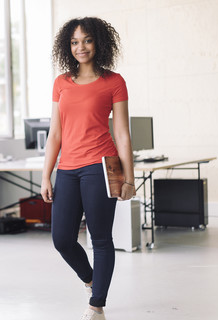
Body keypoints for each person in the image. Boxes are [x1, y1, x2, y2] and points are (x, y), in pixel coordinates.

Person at [40, 17, 136, 320]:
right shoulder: (61, 83)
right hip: (67, 169)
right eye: (74, 42)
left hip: (100, 167)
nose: (81, 47)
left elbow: (121, 133)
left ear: (99, 43)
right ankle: (92, 280)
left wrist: (129, 178)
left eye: (87, 40)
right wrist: (46, 175)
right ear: (68, 47)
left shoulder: (114, 82)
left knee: (101, 239)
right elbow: (55, 133)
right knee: (62, 240)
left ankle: (97, 305)